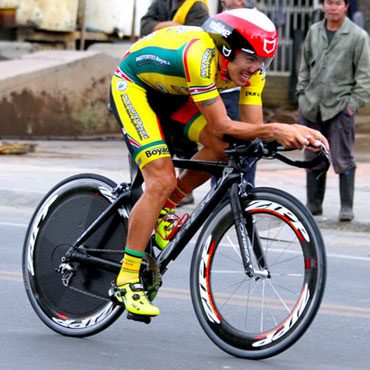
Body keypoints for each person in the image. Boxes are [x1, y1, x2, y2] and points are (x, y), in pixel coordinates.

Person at [110, 8, 329, 318]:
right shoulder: (201, 57)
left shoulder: (252, 71)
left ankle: (163, 211)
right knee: (161, 180)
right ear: (227, 50)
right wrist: (277, 129)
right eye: (250, 59)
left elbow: (252, 133)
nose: (256, 68)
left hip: (173, 92)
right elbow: (224, 124)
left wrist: (298, 134)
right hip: (135, 87)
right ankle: (127, 278)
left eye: (262, 61)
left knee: (224, 149)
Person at [296, 0, 370, 222]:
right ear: (323, 5)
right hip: (311, 106)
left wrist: (352, 105)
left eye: (337, 3)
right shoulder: (314, 31)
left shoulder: (358, 36)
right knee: (312, 155)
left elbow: (364, 76)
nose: (332, 8)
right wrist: (301, 95)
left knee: (343, 157)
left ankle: (346, 207)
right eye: (328, 3)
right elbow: (304, 67)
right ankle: (314, 204)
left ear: (346, 6)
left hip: (340, 107)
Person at [141, 0, 210, 206]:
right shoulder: (161, 2)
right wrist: (171, 27)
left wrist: (160, 27)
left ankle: (181, 189)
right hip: (154, 85)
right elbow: (144, 26)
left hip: (182, 86)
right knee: (158, 144)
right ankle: (151, 192)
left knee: (185, 143)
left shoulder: (196, 6)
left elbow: (193, 37)